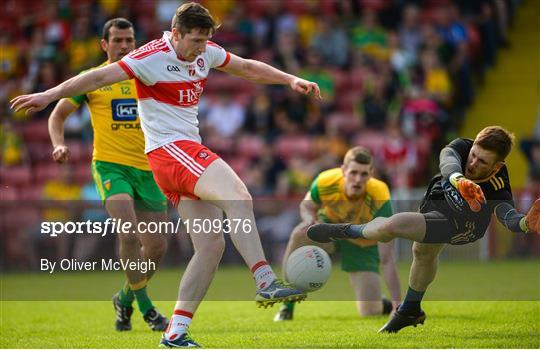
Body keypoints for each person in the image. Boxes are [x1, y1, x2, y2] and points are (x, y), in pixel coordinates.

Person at [11, 3, 321, 347]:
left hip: (174, 159)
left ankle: (175, 333)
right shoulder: (152, 56)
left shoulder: (206, 52)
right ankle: (264, 278)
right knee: (239, 197)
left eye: (206, 40)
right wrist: (50, 94)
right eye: (195, 40)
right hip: (170, 152)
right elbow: (97, 77)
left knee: (210, 247)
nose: (201, 48)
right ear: (175, 34)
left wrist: (290, 78)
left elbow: (247, 68)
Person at [307, 126, 540, 333]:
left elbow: (507, 217)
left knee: (393, 225)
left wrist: (524, 224)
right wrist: (460, 181)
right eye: (473, 156)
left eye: (482, 163)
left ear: (497, 166)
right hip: (436, 201)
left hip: (462, 224)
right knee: (423, 254)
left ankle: (341, 231)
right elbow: (447, 161)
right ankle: (410, 310)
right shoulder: (463, 147)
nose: (473, 163)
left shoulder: (498, 184)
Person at [47, 18, 169, 332]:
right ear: (105, 44)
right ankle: (147, 308)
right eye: (117, 41)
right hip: (111, 166)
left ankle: (125, 298)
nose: (124, 46)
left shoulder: (148, 75)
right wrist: (58, 145)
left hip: (149, 169)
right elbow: (57, 115)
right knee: (128, 233)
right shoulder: (93, 79)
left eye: (129, 40)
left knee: (156, 247)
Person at [274, 146, 402, 322]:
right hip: (329, 231)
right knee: (299, 233)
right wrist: (310, 220)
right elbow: (307, 206)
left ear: (371, 173)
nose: (358, 179)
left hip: (363, 244)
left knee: (370, 311)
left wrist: (398, 306)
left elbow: (387, 258)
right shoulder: (326, 181)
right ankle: (287, 306)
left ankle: (384, 303)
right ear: (343, 170)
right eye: (353, 172)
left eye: (364, 174)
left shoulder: (380, 195)